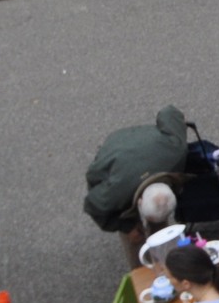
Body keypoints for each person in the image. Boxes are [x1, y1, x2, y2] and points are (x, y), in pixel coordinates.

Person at [82, 106, 194, 258]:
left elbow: (170, 113)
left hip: (148, 143)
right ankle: (140, 268)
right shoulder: (114, 192)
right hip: (116, 148)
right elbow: (92, 205)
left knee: (157, 215)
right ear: (139, 202)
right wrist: (127, 227)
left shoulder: (176, 151)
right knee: (131, 234)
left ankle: (165, 255)